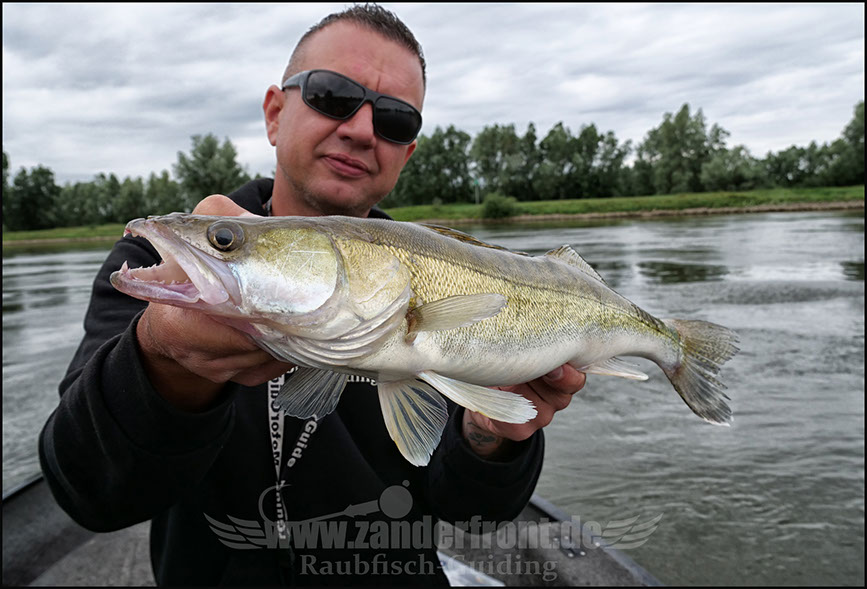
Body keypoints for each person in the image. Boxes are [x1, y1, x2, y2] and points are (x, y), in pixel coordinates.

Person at [39, 4, 586, 586]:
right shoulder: (166, 270)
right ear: (275, 113)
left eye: (396, 120)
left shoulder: (444, 278)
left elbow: (474, 513)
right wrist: (166, 365)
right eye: (332, 95)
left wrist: (489, 436)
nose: (362, 130)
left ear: (406, 154)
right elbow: (91, 493)